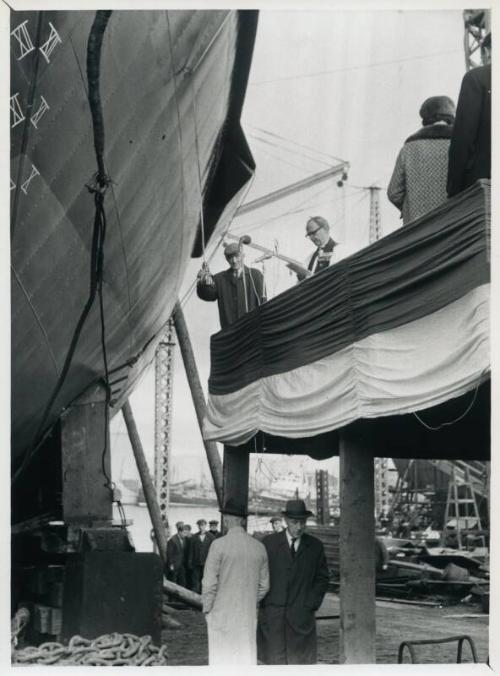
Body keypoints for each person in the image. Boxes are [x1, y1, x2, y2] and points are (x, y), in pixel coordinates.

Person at [257, 499, 329, 665]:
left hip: (301, 619)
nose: (299, 527)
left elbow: (322, 579)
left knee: (300, 665)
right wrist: (265, 605)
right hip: (274, 618)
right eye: (295, 522)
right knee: (274, 664)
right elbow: (259, 576)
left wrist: (310, 604)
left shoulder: (315, 546)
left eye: (302, 522)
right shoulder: (269, 544)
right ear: (286, 521)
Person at [202, 500, 270, 665]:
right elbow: (264, 586)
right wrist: (248, 600)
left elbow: (209, 584)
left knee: (221, 660)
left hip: (221, 613)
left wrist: (208, 610)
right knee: (244, 659)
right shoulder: (259, 547)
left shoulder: (218, 545)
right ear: (243, 521)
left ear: (225, 519)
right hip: (247, 615)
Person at [387, 96, 456, 225]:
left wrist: (411, 208)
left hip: (416, 230)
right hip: (451, 227)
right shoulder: (461, 145)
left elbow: (393, 193)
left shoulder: (408, 148)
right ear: (452, 118)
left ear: (425, 119)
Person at [447, 35, 491, 197]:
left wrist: (453, 190)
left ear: (487, 52)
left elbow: (463, 137)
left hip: (484, 186)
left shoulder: (477, 78)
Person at [196, 242, 266, 329]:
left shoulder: (255, 275)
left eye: (237, 256)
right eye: (230, 257)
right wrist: (203, 283)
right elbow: (209, 296)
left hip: (252, 331)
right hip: (230, 333)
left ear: (243, 255)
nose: (234, 260)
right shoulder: (219, 279)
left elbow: (263, 304)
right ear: (226, 259)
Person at [188, 519, 215, 593]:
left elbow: (214, 551)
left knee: (206, 581)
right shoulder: (194, 537)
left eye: (203, 525)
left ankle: (204, 597)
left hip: (207, 563)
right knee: (195, 581)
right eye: (200, 525)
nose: (201, 527)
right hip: (196, 563)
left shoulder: (211, 537)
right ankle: (194, 599)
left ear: (205, 526)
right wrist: (190, 562)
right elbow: (191, 551)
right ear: (198, 526)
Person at [166, 521, 186, 586]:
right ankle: (172, 596)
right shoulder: (172, 540)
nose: (185, 534)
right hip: (174, 565)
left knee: (182, 582)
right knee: (173, 582)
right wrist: (171, 565)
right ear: (179, 532)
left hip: (182, 565)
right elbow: (169, 554)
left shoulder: (184, 539)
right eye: (184, 533)